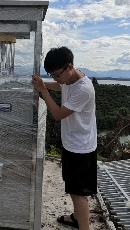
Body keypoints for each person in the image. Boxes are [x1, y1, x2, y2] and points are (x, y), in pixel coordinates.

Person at [31, 46, 97, 230]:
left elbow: (59, 114)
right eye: (52, 75)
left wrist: (43, 91)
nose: (56, 79)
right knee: (72, 186)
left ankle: (83, 226)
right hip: (72, 143)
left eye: (57, 75)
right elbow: (61, 86)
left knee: (78, 193)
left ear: (69, 67)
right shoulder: (71, 79)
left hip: (81, 147)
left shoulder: (84, 89)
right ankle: (76, 217)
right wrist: (43, 84)